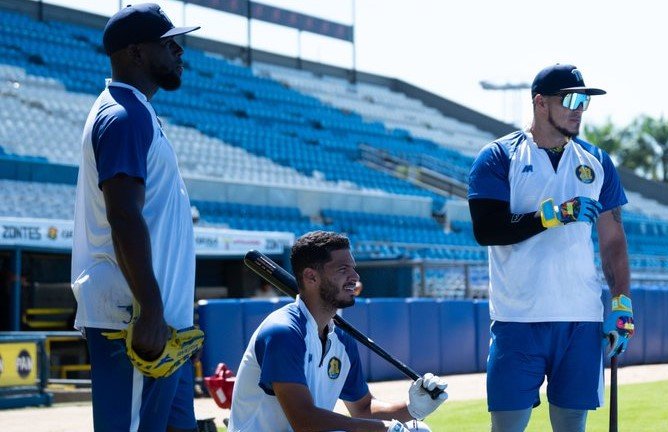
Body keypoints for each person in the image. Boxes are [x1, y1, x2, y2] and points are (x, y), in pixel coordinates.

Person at [467, 64, 634, 432]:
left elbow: (613, 242)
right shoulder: (498, 156)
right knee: (507, 428)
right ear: (540, 103)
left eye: (584, 101)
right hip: (517, 319)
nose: (579, 109)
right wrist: (551, 216)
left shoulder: (598, 161)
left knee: (572, 427)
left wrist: (622, 304)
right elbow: (487, 229)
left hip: (581, 319)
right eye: (570, 99)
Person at [70, 4, 200, 431]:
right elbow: (123, 214)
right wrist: (149, 307)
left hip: (162, 322)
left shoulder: (138, 111)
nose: (179, 50)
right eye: (168, 43)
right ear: (136, 53)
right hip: (135, 318)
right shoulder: (122, 116)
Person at [228, 231, 448, 431]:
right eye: (343, 269)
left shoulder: (341, 338)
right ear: (311, 277)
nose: (355, 277)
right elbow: (304, 420)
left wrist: (413, 408)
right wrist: (385, 429)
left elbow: (363, 407)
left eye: (353, 268)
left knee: (419, 428)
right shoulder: (283, 332)